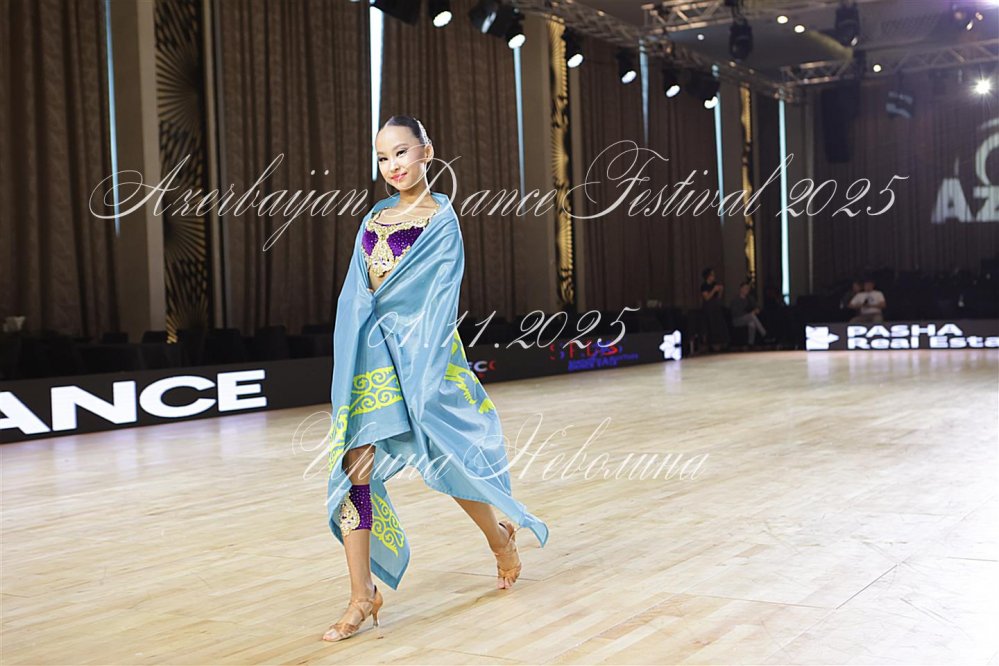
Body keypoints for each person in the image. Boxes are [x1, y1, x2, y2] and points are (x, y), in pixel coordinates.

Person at [322, 116, 549, 642]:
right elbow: (355, 292)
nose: (393, 166)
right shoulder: (374, 216)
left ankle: (499, 538)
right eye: (383, 158)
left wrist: (414, 364)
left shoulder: (442, 221)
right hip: (367, 358)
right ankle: (362, 594)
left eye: (401, 152)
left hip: (420, 357)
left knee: (445, 458)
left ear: (427, 151)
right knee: (356, 469)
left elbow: (437, 304)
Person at [700, 267, 729, 351]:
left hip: (716, 307)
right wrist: (713, 290)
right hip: (708, 308)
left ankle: (722, 343)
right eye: (712, 275)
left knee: (719, 325)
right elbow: (707, 298)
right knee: (711, 325)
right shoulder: (704, 286)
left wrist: (720, 291)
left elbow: (719, 297)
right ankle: (711, 344)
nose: (713, 276)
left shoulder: (715, 284)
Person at [730, 281, 767, 345]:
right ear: (741, 289)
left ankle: (750, 343)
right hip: (737, 320)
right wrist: (749, 314)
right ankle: (764, 334)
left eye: (748, 288)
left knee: (751, 323)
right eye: (745, 288)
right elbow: (734, 313)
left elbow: (757, 306)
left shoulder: (750, 298)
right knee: (751, 316)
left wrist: (757, 309)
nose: (746, 290)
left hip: (748, 318)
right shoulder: (735, 300)